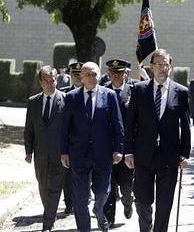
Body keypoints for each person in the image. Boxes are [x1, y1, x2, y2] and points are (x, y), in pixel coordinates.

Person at [124, 49, 191, 232]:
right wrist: (128, 151)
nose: (163, 68)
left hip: (169, 156)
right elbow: (130, 124)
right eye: (159, 64)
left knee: (165, 202)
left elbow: (185, 126)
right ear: (152, 67)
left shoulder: (181, 92)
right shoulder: (139, 90)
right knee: (142, 199)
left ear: (171, 66)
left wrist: (185, 154)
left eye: (166, 64)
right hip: (143, 154)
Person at [60, 62, 124, 232]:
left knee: (103, 191)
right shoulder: (72, 97)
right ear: (81, 76)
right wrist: (64, 151)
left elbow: (118, 124)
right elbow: (65, 127)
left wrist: (118, 149)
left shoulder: (109, 95)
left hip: (103, 153)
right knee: (80, 198)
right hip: (78, 154)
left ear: (99, 75)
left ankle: (98, 209)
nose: (91, 78)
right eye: (87, 74)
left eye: (94, 74)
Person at [24, 65, 67, 232]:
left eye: (53, 80)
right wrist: (28, 151)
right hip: (40, 155)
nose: (50, 84)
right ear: (40, 82)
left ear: (57, 80)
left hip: (59, 155)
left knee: (55, 188)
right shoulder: (33, 102)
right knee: (43, 187)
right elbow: (29, 129)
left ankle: (47, 224)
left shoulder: (66, 99)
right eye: (46, 81)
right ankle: (50, 212)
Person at [103, 59, 135, 227]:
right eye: (113, 73)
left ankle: (128, 202)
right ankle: (109, 219)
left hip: (127, 147)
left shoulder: (134, 90)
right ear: (109, 74)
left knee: (126, 185)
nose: (116, 76)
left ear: (125, 73)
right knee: (108, 184)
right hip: (107, 147)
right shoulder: (102, 91)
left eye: (119, 72)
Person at [58, 61, 84, 214]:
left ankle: (82, 199)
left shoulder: (92, 93)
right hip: (69, 140)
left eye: (81, 75)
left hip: (86, 141)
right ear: (71, 76)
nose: (78, 78)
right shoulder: (64, 94)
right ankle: (69, 202)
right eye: (75, 75)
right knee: (67, 174)